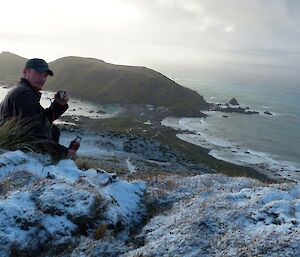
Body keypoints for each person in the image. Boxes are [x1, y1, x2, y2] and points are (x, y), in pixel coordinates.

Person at [0, 58, 76, 159]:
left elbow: (42, 120)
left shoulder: (24, 90)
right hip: (15, 149)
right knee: (53, 131)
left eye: (45, 75)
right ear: (25, 72)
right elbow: (35, 133)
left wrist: (59, 104)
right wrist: (65, 153)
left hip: (15, 142)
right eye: (38, 73)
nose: (42, 78)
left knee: (54, 130)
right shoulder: (24, 94)